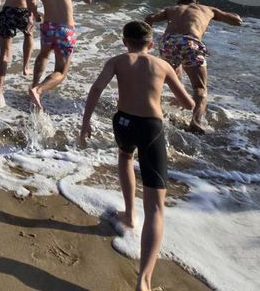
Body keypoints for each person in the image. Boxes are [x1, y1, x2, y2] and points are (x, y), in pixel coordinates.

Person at [78, 21, 195, 291]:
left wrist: (85, 123)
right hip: (150, 128)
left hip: (122, 123)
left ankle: (130, 215)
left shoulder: (117, 60)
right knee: (155, 207)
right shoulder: (162, 65)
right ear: (151, 44)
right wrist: (180, 100)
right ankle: (144, 281)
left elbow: (96, 89)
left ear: (124, 41)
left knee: (125, 158)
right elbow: (188, 103)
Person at [144, 0, 242, 133]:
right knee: (200, 88)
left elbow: (149, 18)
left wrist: (149, 38)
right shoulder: (207, 9)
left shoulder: (171, 9)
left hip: (168, 42)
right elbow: (237, 20)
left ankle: (156, 106)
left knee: (174, 77)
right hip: (189, 43)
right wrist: (216, 13)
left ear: (179, 3)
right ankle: (196, 121)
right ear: (196, 2)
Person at [28, 0, 92, 111]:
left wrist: (36, 14)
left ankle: (34, 84)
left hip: (48, 27)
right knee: (61, 72)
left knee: (43, 55)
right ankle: (38, 90)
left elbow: (31, 1)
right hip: (65, 30)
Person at [0, 0, 40, 97]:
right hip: (23, 11)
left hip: (7, 10)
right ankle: (26, 67)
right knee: (29, 35)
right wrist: (31, 14)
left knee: (4, 53)